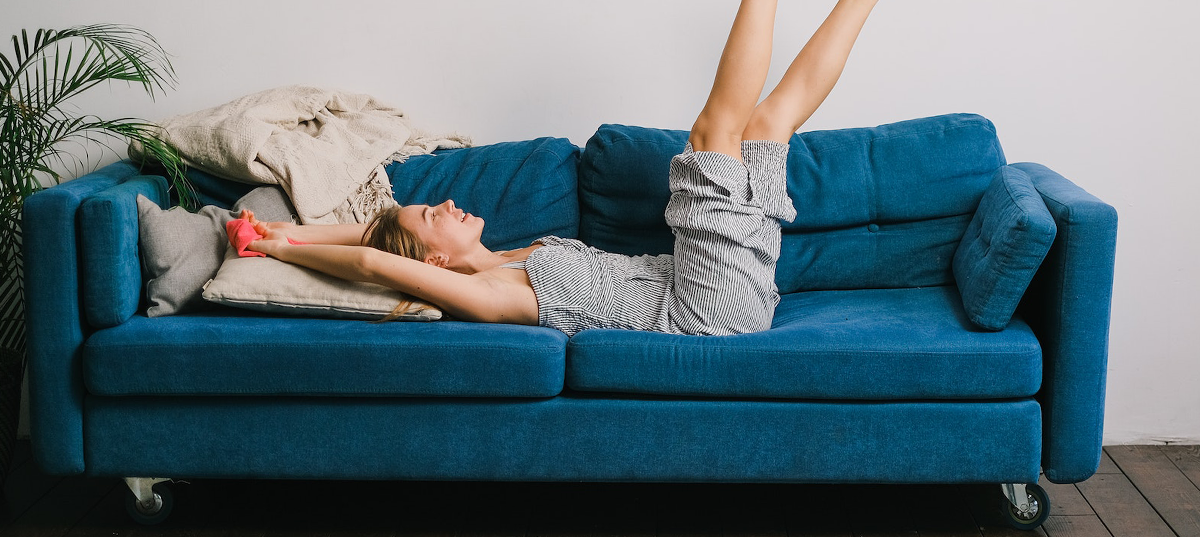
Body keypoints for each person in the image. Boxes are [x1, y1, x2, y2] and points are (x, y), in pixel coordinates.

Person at [244, 0, 878, 336]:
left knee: (768, 127)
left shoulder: (508, 258)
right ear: (431, 263)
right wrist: (285, 255)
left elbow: (374, 235)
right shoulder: (492, 296)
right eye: (430, 215)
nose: (442, 203)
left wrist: (276, 235)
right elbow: (373, 260)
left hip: (722, 282)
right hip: (707, 311)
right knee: (718, 132)